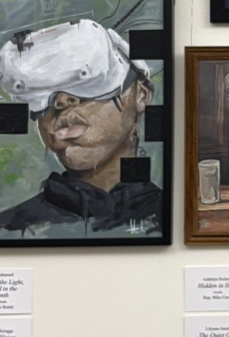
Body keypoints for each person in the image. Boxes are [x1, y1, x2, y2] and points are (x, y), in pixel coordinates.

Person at [0, 19, 161, 237]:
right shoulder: (11, 228)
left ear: (140, 95)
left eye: (85, 88)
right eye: (43, 97)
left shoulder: (167, 215)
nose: (63, 103)